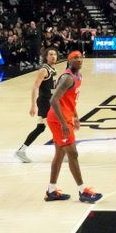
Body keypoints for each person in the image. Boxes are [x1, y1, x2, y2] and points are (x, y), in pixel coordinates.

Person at [44, 51, 102, 203]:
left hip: (65, 117)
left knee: (59, 154)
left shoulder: (79, 76)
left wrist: (75, 115)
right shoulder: (67, 78)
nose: (80, 59)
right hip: (58, 120)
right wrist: (63, 123)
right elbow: (53, 100)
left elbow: (70, 99)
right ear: (69, 61)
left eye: (81, 57)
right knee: (73, 154)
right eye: (76, 57)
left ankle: (51, 191)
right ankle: (83, 192)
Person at [16, 48, 59, 163]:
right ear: (46, 57)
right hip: (45, 102)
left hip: (49, 101)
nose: (53, 56)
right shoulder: (44, 70)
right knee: (57, 125)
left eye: (55, 54)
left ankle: (21, 151)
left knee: (40, 128)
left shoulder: (52, 69)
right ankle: (61, 152)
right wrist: (33, 105)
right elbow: (35, 87)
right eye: (50, 54)